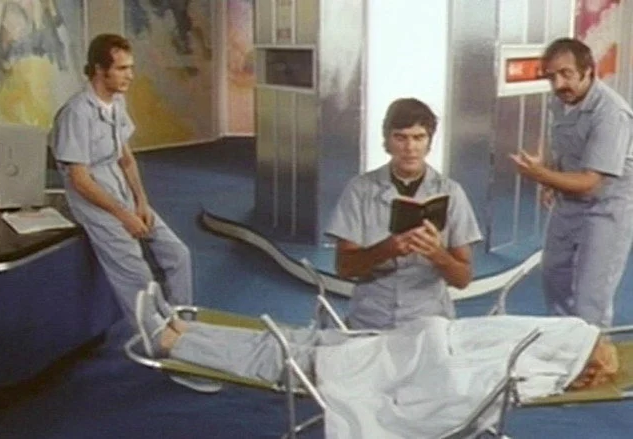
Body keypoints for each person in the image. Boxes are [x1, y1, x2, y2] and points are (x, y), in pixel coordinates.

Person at [135, 284, 620, 438]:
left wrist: (431, 346)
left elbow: (461, 387)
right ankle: (186, 330)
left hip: (385, 367)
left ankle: (174, 342)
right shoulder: (546, 348)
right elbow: (480, 338)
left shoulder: (536, 372)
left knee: (285, 358)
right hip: (386, 347)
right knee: (299, 339)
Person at [49, 34, 217, 392]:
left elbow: (126, 159)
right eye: (123, 68)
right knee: (138, 278)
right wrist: (123, 216)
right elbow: (80, 180)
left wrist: (140, 202)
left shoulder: (116, 102)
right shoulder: (76, 113)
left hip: (123, 194)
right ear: (100, 70)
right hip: (95, 202)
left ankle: (182, 325)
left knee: (178, 254)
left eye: (131, 67)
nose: (130, 75)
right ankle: (168, 351)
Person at [325, 98, 483, 330]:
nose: (410, 148)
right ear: (387, 141)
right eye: (400, 137)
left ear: (429, 142)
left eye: (419, 137)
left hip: (429, 319)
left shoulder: (452, 193)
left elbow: (462, 280)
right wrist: (386, 250)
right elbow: (345, 268)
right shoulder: (359, 189)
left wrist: (437, 254)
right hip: (371, 317)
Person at [510, 38, 633, 328]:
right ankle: (564, 343)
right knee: (554, 277)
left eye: (566, 74)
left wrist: (541, 175)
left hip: (606, 208)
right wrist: (551, 174)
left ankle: (592, 349)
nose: (558, 84)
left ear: (588, 71)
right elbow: (561, 141)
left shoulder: (611, 114)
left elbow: (591, 183)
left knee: (590, 298)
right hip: (568, 201)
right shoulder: (560, 100)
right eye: (551, 76)